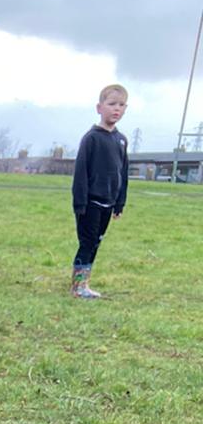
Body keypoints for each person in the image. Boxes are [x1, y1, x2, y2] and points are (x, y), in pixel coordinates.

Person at [71, 85, 129, 300]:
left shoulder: (121, 140)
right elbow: (81, 173)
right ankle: (77, 286)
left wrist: (119, 203)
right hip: (90, 203)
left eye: (121, 105)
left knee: (96, 242)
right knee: (87, 243)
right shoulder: (91, 138)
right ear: (99, 107)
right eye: (112, 104)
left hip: (108, 203)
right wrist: (80, 203)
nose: (116, 109)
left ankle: (84, 282)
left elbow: (123, 173)